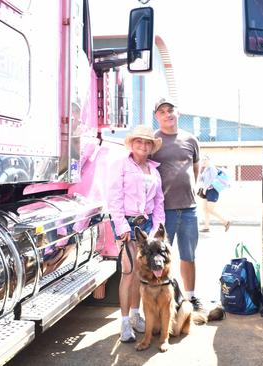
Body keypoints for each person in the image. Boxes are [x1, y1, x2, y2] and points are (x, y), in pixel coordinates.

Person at [107, 125, 166, 343]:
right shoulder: (120, 165)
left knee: (141, 274)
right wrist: (121, 225)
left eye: (147, 142)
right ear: (132, 144)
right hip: (127, 224)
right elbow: (114, 198)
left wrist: (157, 228)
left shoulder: (154, 170)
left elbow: (158, 201)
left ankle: (135, 315)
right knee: (129, 272)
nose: (143, 145)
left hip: (148, 225)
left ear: (152, 147)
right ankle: (124, 322)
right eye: (139, 141)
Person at [150, 97, 204, 311]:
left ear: (177, 112)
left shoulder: (191, 140)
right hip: (164, 212)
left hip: (189, 209)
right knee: (161, 259)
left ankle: (190, 298)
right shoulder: (153, 141)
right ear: (157, 117)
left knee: (189, 256)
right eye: (162, 112)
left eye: (170, 110)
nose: (167, 114)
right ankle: (164, 301)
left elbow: (196, 168)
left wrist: (190, 189)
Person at [198, 155, 231, 232]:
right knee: (204, 209)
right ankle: (206, 227)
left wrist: (205, 188)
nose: (204, 161)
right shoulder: (205, 169)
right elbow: (201, 179)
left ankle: (226, 222)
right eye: (202, 160)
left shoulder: (212, 168)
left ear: (209, 160)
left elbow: (212, 179)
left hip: (213, 190)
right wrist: (199, 170)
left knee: (210, 209)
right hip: (206, 191)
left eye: (205, 159)